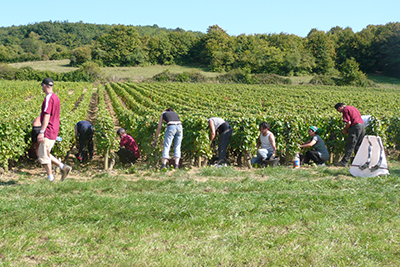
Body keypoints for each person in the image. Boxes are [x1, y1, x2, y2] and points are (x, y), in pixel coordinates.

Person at [37, 78, 71, 181]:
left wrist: (41, 132)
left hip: (48, 129)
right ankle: (62, 167)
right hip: (54, 129)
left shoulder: (48, 98)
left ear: (44, 86)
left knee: (43, 155)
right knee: (46, 152)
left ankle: (50, 179)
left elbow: (47, 115)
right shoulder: (56, 98)